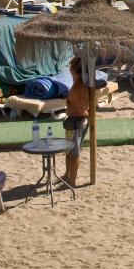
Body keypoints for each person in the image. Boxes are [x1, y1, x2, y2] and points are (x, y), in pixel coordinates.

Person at [61, 57, 91, 187]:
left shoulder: (79, 88)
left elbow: (81, 110)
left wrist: (87, 114)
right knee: (69, 151)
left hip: (77, 122)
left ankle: (71, 181)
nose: (69, 67)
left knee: (74, 153)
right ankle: (67, 175)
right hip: (73, 121)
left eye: (70, 65)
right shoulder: (78, 84)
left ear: (74, 69)